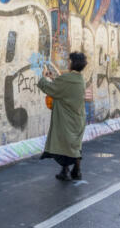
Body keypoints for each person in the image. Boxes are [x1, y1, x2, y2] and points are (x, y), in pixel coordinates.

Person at [38, 52, 88, 181]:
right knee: (75, 145)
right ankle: (75, 171)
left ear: (73, 63)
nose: (68, 63)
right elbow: (63, 88)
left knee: (63, 145)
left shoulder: (67, 79)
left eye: (69, 61)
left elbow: (51, 89)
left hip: (66, 120)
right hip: (78, 119)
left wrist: (43, 78)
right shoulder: (79, 79)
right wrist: (54, 78)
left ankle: (66, 171)